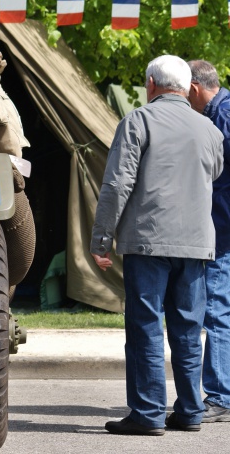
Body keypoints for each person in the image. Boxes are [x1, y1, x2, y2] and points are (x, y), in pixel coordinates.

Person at [90, 54, 224, 436]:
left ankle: (147, 414)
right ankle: (190, 411)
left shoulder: (137, 121)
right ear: (186, 88)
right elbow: (212, 174)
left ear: (150, 84)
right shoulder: (210, 130)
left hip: (147, 241)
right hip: (196, 245)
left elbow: (117, 185)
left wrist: (101, 239)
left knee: (146, 325)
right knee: (188, 328)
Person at [188, 59, 230, 423]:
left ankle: (220, 397)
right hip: (222, 230)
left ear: (194, 89)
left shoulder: (224, 117)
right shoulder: (220, 114)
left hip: (225, 233)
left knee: (216, 312)